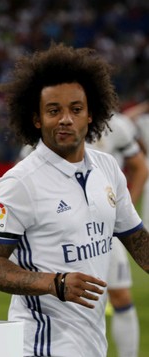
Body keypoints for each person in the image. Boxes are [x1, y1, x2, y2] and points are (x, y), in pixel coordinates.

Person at [0, 43, 149, 357]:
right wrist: (54, 282)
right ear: (37, 119)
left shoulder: (107, 168)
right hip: (42, 344)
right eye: (54, 110)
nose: (66, 119)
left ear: (90, 114)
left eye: (76, 109)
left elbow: (137, 239)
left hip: (92, 343)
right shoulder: (19, 184)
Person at [89, 113, 146, 357]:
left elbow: (140, 167)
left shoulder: (116, 125)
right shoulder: (51, 124)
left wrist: (123, 210)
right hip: (63, 232)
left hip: (107, 231)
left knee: (121, 295)